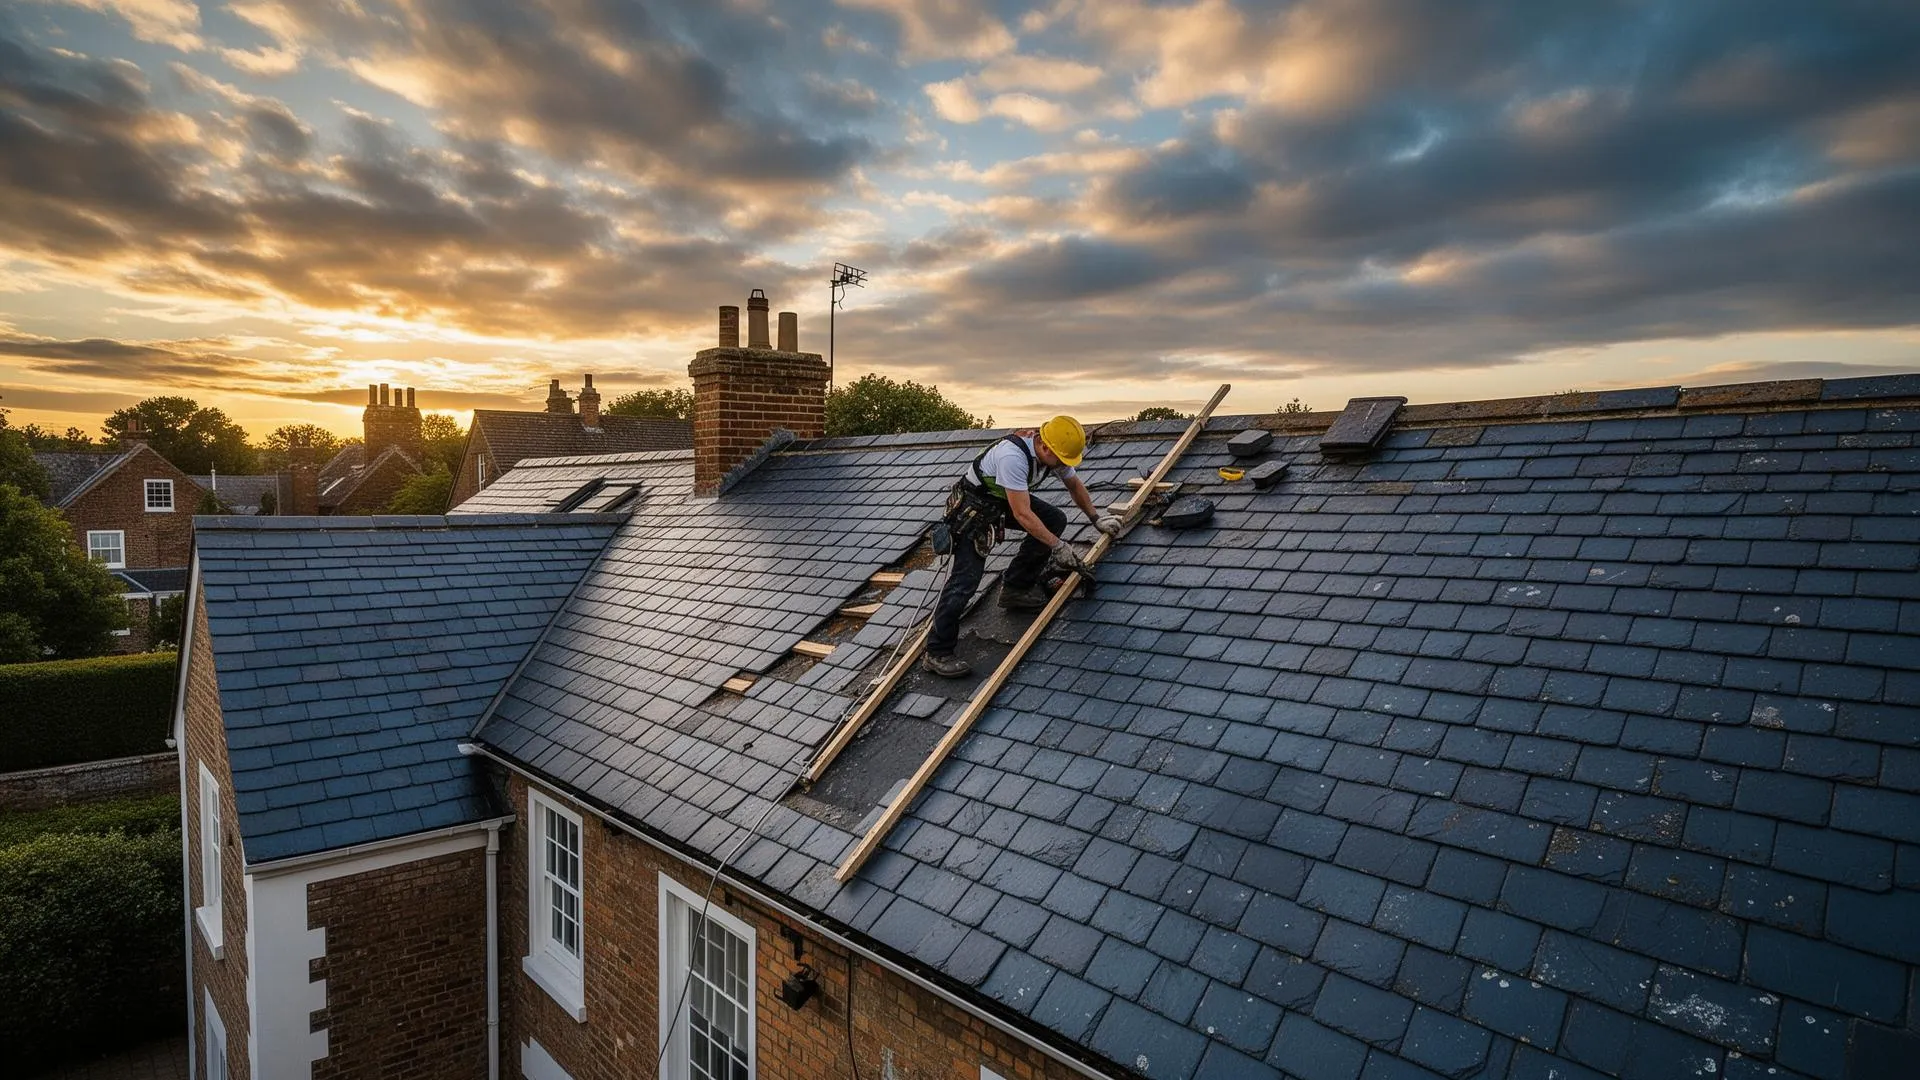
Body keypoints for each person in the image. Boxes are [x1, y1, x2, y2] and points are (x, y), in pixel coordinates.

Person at [922, 416, 1122, 678]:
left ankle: (1016, 588)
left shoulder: (1051, 452)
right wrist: (1058, 546)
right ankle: (937, 652)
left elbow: (1073, 484)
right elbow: (1023, 514)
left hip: (1001, 500)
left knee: (1054, 519)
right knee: (965, 582)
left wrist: (1096, 519)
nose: (1063, 465)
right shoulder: (1012, 458)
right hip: (975, 509)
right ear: (1046, 447)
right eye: (1061, 459)